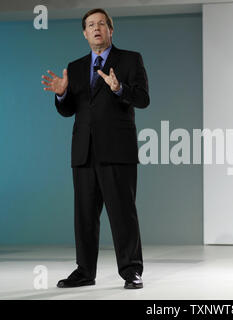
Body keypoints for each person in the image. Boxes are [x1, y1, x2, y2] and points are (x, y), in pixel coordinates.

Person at [41, 8, 149, 289]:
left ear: (111, 30)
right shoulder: (75, 67)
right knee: (85, 216)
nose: (96, 28)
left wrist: (118, 88)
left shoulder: (129, 59)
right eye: (91, 24)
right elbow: (69, 112)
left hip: (117, 151)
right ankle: (85, 271)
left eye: (102, 23)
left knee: (122, 214)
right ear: (85, 33)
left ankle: (131, 270)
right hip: (84, 152)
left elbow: (143, 98)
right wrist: (62, 93)